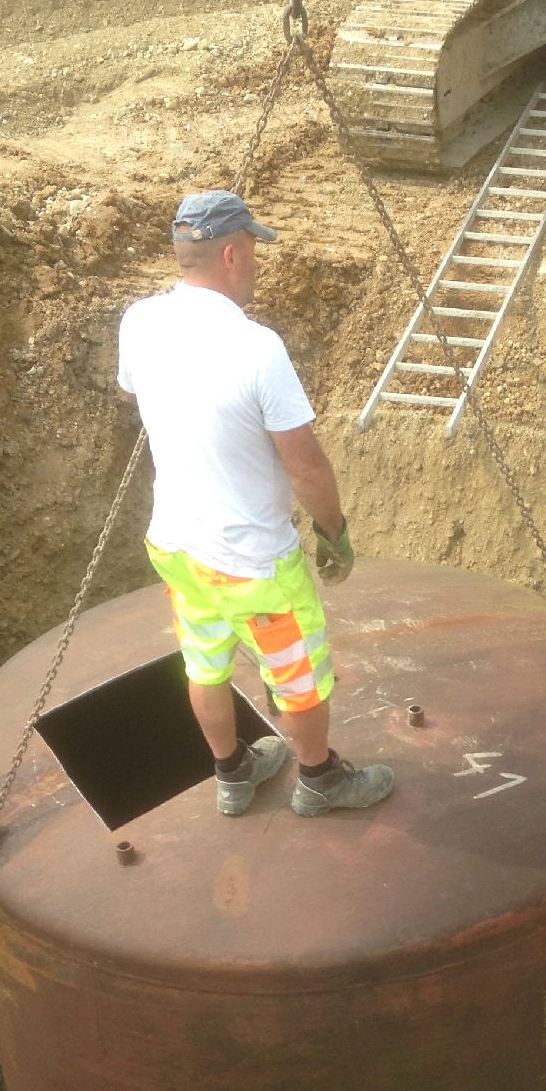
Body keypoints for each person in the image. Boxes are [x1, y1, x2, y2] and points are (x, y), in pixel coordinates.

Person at [117, 189, 394, 819]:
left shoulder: (138, 320)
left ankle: (233, 774)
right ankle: (320, 779)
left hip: (176, 546)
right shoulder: (255, 347)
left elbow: (137, 396)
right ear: (233, 254)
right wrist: (334, 532)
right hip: (250, 561)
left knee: (205, 659)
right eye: (255, 253)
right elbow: (305, 466)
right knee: (299, 675)